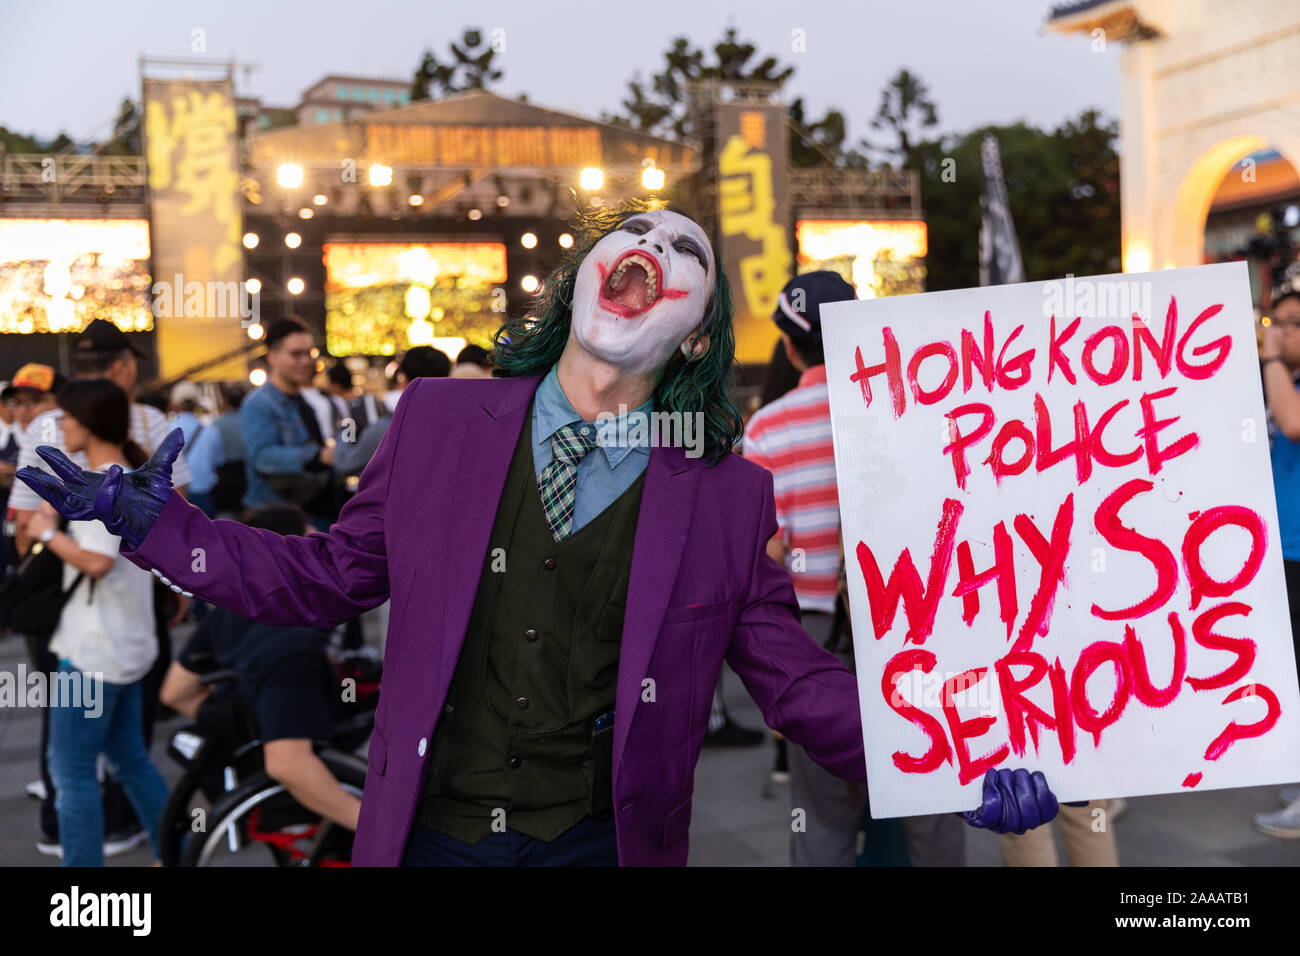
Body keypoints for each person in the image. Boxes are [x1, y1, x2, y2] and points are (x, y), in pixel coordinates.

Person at [20, 199, 1064, 867]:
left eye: (682, 249)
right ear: (579, 282)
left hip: (604, 843)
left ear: (696, 330)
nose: (651, 247)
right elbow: (326, 578)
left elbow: (797, 681)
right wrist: (168, 531)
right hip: (429, 830)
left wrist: (954, 763)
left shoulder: (728, 494)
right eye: (633, 234)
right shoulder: (435, 424)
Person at [25, 378, 169, 866]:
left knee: (70, 770)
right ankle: (177, 850)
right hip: (127, 644)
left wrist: (47, 532)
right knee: (130, 760)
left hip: (93, 652)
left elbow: (98, 561)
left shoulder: (104, 483)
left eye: (65, 416)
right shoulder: (129, 474)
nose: (60, 425)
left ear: (86, 422)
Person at [160, 503, 358, 831]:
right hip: (306, 748)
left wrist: (245, 727)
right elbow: (287, 764)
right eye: (311, 535)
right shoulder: (298, 636)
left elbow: (175, 691)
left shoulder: (227, 607)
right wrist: (379, 835)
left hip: (254, 753)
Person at [1252, 275, 1300, 837]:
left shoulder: (1283, 378)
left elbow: (1291, 422)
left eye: (1290, 325)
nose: (1279, 333)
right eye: (1276, 322)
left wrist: (1269, 357)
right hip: (1282, 546)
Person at [239, 318, 337, 527]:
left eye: (309, 353)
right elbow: (262, 457)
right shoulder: (259, 403)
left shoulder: (305, 401)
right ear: (272, 357)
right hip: (278, 520)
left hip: (312, 512)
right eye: (296, 354)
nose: (305, 361)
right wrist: (317, 457)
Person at [334, 347, 449, 477]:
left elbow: (343, 463)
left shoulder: (386, 430)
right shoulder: (457, 427)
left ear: (403, 379)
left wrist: (344, 429)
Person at [186, 383, 248, 519]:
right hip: (247, 476)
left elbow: (216, 458)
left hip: (224, 479)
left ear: (226, 401)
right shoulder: (250, 422)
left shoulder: (217, 425)